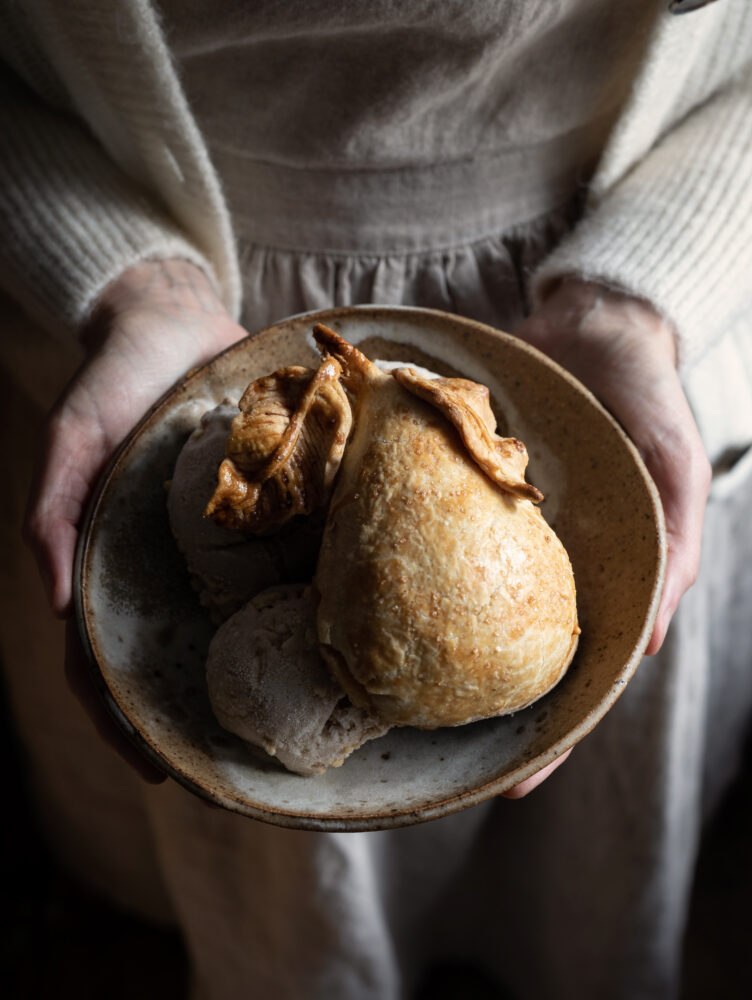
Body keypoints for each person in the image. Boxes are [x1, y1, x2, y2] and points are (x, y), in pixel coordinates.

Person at [2, 1, 752, 997]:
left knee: (570, 866)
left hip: (610, 275)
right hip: (172, 330)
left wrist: (639, 297)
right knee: (252, 873)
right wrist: (128, 284)